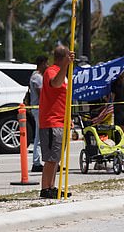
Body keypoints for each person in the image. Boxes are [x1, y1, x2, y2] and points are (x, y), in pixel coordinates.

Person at [38, 45, 76, 199]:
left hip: (61, 121)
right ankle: (45, 188)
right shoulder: (51, 71)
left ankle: (52, 186)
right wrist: (66, 65)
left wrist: (68, 118)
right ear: (64, 57)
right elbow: (55, 84)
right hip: (51, 121)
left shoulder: (63, 74)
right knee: (51, 159)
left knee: (56, 158)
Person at [29, 55, 48, 173]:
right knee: (39, 136)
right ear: (41, 63)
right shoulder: (37, 77)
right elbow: (42, 94)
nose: (47, 66)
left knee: (40, 136)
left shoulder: (37, 76)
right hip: (39, 109)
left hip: (39, 109)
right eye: (46, 63)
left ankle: (38, 161)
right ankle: (36, 162)